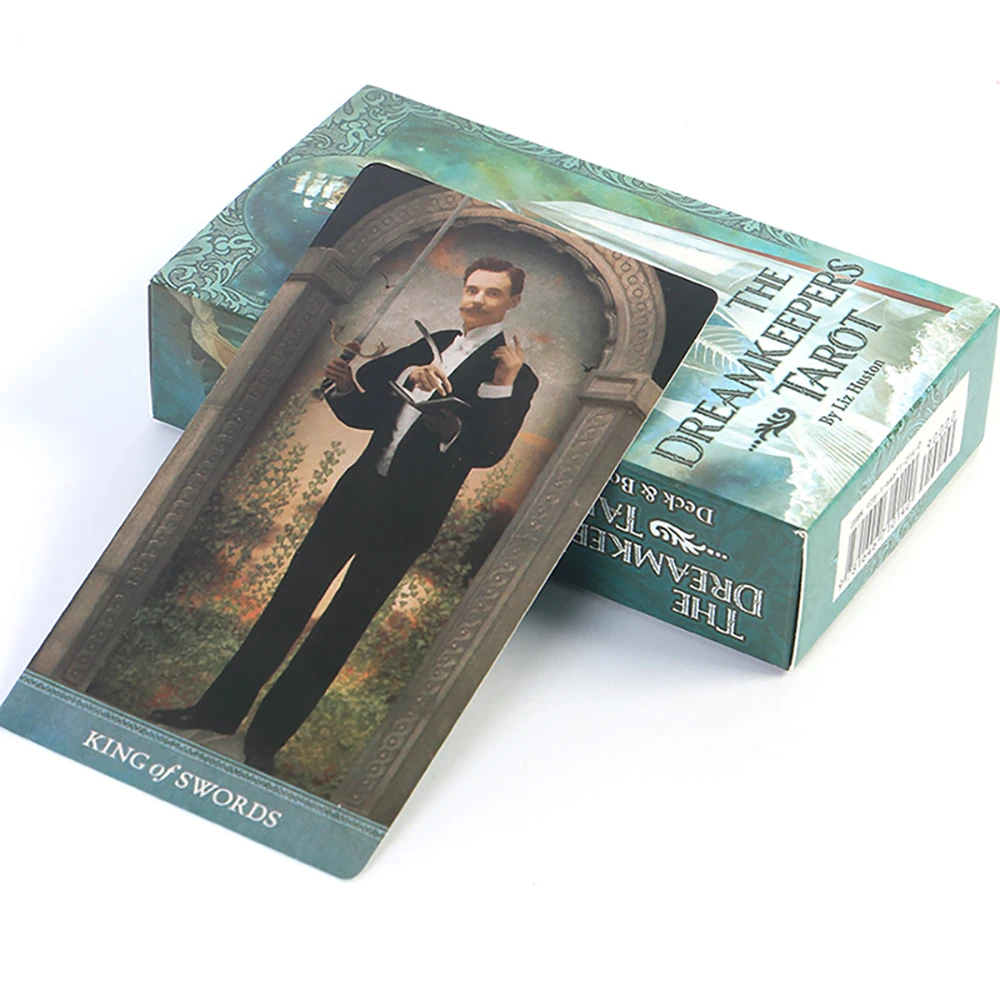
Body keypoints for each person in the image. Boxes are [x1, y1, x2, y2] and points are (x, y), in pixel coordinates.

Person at [151, 256, 538, 773]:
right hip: (355, 495)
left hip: (410, 518)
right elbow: (369, 403)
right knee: (288, 602)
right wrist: (370, 381)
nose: (478, 300)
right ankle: (216, 712)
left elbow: (488, 450)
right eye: (472, 289)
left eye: (493, 293)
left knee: (341, 627)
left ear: (513, 302)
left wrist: (496, 388)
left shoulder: (516, 375)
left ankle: (265, 743)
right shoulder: (436, 341)